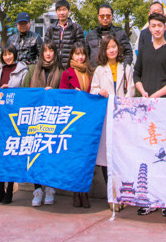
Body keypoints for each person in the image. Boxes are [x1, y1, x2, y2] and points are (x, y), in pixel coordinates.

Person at [134, 12, 166, 216]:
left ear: (164, 28)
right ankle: (150, 197)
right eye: (153, 26)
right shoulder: (143, 50)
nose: (157, 29)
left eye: (160, 25)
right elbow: (136, 73)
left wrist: (157, 95)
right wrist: (143, 91)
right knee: (148, 153)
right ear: (149, 28)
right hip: (147, 108)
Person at [91, 34, 135, 199]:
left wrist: (124, 103)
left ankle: (122, 193)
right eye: (108, 47)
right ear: (104, 50)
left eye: (114, 47)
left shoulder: (126, 67)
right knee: (106, 155)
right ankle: (112, 193)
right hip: (106, 114)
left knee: (121, 154)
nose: (112, 50)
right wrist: (99, 92)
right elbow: (93, 89)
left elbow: (131, 89)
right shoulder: (100, 69)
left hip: (122, 115)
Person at [0, 47, 29, 205]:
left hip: (14, 116)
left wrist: (11, 91)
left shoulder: (22, 71)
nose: (7, 57)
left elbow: (25, 92)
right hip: (0, 117)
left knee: (11, 152)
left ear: (15, 55)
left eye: (10, 54)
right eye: (5, 54)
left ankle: (10, 191)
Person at [29, 42, 63, 207]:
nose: (48, 54)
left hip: (54, 119)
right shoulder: (33, 70)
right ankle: (37, 189)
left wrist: (54, 93)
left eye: (51, 51)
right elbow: (26, 92)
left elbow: (64, 94)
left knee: (50, 153)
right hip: (36, 118)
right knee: (35, 154)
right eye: (45, 51)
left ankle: (49, 187)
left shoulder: (61, 71)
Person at [60, 46, 94, 208]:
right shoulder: (67, 73)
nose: (80, 57)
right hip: (73, 121)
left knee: (86, 157)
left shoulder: (91, 73)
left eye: (82, 54)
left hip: (88, 120)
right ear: (72, 55)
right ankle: (76, 192)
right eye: (77, 54)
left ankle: (85, 192)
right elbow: (62, 96)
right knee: (74, 157)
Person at [45, 0, 84, 67]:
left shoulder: (76, 28)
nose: (61, 13)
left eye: (64, 9)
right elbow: (46, 49)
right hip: (54, 67)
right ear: (56, 12)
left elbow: (81, 49)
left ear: (69, 11)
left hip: (70, 67)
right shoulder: (50, 29)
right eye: (59, 10)